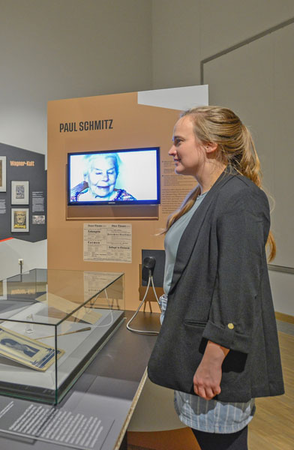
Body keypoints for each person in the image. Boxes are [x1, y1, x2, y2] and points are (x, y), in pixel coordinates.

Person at [147, 106, 284, 450]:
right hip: (192, 343)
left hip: (214, 356)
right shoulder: (204, 196)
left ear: (209, 145)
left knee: (222, 441)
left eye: (179, 140)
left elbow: (237, 287)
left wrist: (213, 359)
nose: (171, 149)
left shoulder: (239, 198)